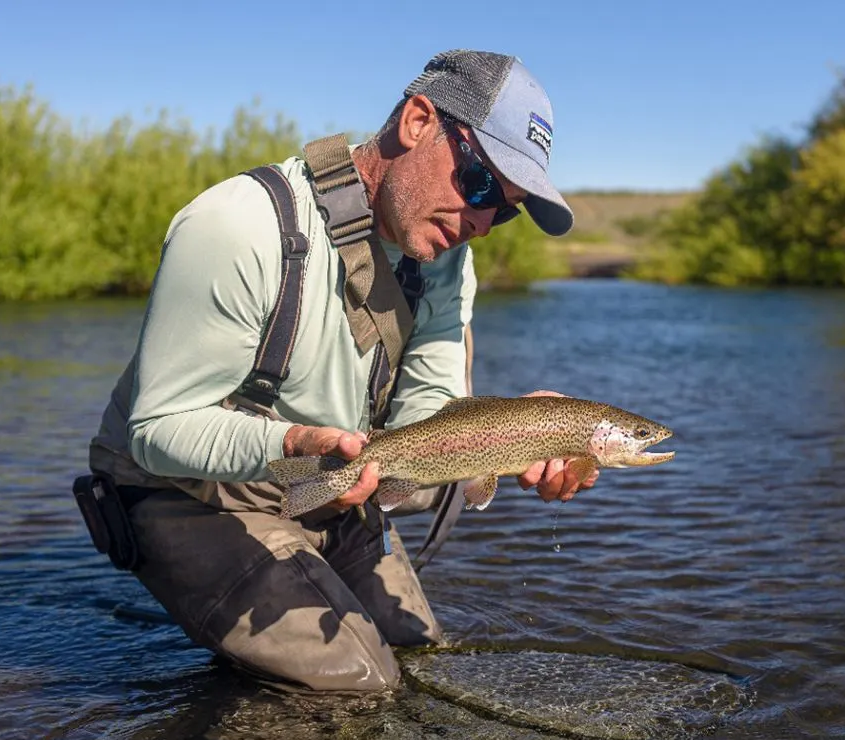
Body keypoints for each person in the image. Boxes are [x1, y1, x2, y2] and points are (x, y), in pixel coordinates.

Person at [80, 49, 600, 691]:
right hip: (185, 488)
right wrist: (297, 442)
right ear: (417, 122)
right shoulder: (239, 225)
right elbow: (157, 430)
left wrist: (514, 432)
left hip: (335, 476)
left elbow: (425, 418)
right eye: (482, 184)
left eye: (506, 208)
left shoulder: (444, 258)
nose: (484, 223)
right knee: (360, 681)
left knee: (419, 656)